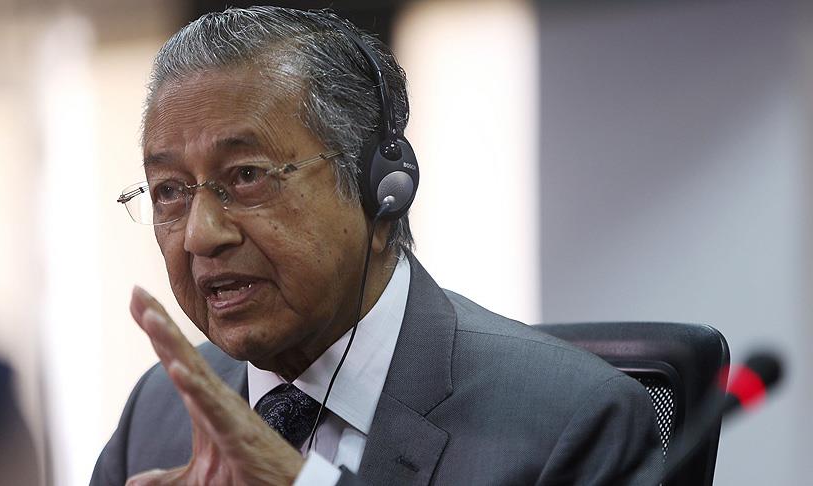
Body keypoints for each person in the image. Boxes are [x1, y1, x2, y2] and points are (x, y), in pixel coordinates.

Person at [92, 6, 662, 486]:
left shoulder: (570, 422)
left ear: (382, 192)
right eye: (170, 191)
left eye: (246, 176)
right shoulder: (159, 412)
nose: (200, 234)